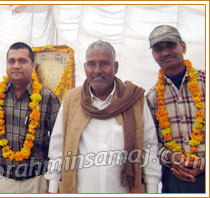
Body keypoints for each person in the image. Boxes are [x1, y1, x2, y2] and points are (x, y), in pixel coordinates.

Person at [45, 40, 161, 193]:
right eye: (92, 64)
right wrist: (53, 189)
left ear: (116, 67)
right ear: (85, 67)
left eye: (104, 64)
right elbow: (57, 148)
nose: (97, 70)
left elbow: (149, 146)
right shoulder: (72, 100)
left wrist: (152, 190)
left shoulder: (134, 100)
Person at [0, 42, 60, 193]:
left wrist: (53, 185)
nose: (16, 65)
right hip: (2, 181)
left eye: (22, 61)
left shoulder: (47, 98)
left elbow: (58, 145)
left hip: (37, 182)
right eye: (11, 61)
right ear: (6, 64)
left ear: (33, 66)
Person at [146, 25, 205, 193]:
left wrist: (204, 164)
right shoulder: (152, 97)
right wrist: (172, 157)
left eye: (170, 46)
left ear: (183, 47)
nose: (165, 53)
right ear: (154, 55)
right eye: (158, 49)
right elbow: (152, 142)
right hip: (174, 178)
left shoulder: (205, 83)